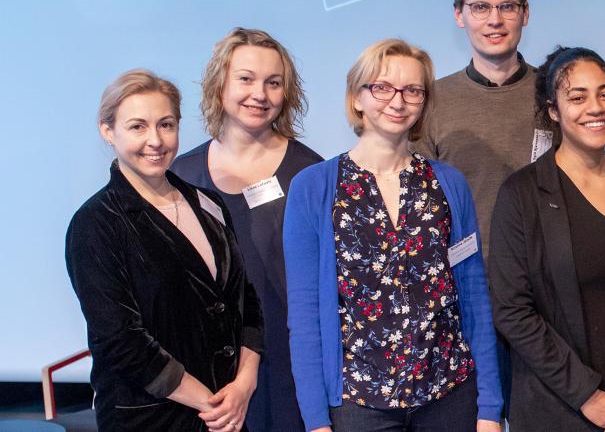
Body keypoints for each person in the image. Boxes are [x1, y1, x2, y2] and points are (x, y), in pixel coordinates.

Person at [284, 39, 502, 431]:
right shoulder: (313, 188)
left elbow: (473, 297)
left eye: (412, 90)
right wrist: (316, 421)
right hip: (359, 405)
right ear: (357, 97)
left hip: (449, 394)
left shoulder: (448, 184)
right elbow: (305, 316)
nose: (397, 101)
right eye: (382, 87)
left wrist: (489, 408)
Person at [488, 46, 605, 431]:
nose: (596, 107)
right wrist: (586, 395)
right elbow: (512, 310)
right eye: (577, 97)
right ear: (553, 110)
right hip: (556, 409)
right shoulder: (521, 194)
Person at [67, 69, 262, 431]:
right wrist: (213, 405)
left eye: (166, 124)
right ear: (107, 130)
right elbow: (120, 341)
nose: (155, 140)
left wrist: (243, 387)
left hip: (228, 414)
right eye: (138, 127)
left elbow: (245, 302)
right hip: (153, 419)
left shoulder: (210, 204)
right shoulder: (95, 224)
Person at [171, 27, 323, 431]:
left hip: (292, 366)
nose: (260, 94)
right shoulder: (180, 175)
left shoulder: (310, 173)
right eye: (246, 79)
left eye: (273, 83)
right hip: (209, 376)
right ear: (220, 84)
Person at [414, 0, 545, 260]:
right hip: (465, 282)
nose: (495, 20)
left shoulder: (556, 94)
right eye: (480, 7)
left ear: (525, 14)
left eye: (507, 7)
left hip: (547, 281)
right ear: (459, 15)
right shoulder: (430, 101)